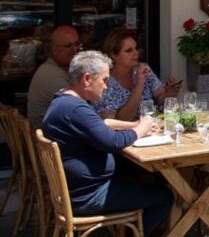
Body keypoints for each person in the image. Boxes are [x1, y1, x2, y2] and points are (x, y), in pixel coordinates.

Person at [41, 51, 172, 236]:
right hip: (88, 195)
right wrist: (141, 129)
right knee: (164, 196)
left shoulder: (64, 101)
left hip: (77, 190)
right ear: (87, 79)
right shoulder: (75, 109)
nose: (106, 86)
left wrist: (135, 125)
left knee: (147, 173)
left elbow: (100, 124)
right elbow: (113, 142)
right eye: (104, 80)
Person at [95, 28, 182, 120]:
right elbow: (118, 120)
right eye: (129, 50)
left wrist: (169, 93)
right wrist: (139, 84)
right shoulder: (105, 83)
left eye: (136, 48)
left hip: (153, 125)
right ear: (114, 55)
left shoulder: (143, 69)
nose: (136, 53)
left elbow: (160, 99)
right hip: (129, 129)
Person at [27, 25, 80, 129]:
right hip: (47, 137)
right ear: (54, 49)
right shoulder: (52, 74)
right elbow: (81, 111)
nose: (75, 50)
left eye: (77, 44)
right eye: (68, 46)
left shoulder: (56, 68)